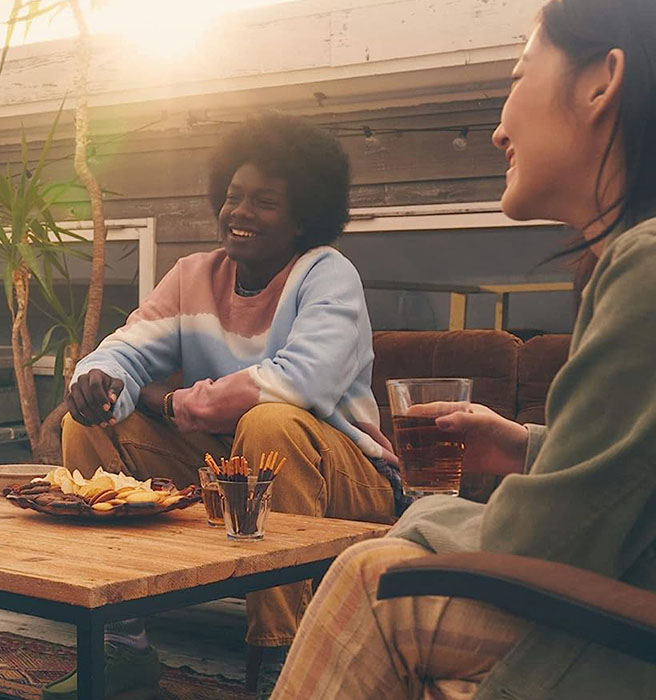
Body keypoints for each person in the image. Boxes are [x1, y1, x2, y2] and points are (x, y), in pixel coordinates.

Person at [271, 0, 656, 697]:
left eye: (517, 76)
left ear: (603, 81)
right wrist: (525, 448)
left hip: (629, 643)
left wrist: (417, 517)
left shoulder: (647, 268)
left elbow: (544, 543)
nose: (500, 129)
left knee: (374, 578)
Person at [53, 112, 402, 700]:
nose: (239, 212)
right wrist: (98, 380)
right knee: (87, 426)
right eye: (234, 196)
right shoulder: (194, 275)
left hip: (348, 484)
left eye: (264, 201)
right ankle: (123, 647)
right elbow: (126, 350)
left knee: (271, 423)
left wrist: (178, 402)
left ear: (302, 218)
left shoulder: (327, 275)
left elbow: (300, 384)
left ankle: (283, 663)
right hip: (231, 475)